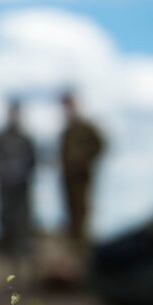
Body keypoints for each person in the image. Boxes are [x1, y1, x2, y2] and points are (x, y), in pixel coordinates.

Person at [0, 101, 37, 280]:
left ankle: (23, 273)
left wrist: (21, 174)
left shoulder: (26, 140)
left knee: (23, 230)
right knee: (5, 230)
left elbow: (33, 163)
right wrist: (3, 173)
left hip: (22, 194)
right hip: (4, 193)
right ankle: (5, 273)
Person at [59, 92, 104, 247]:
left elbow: (101, 146)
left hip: (82, 180)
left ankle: (84, 255)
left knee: (82, 218)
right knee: (70, 218)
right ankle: (74, 252)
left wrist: (83, 162)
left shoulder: (87, 128)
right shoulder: (66, 132)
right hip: (68, 181)